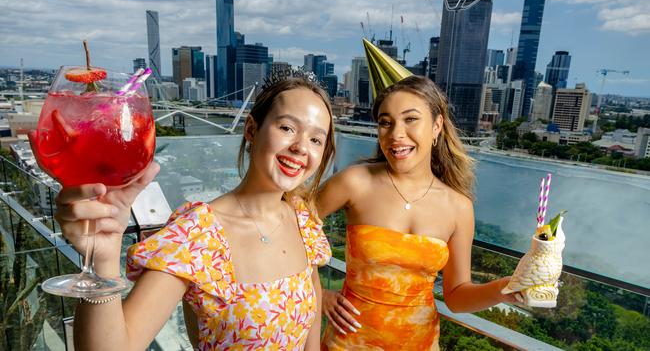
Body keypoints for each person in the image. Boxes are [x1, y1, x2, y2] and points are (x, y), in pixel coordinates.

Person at [55, 76, 335, 351]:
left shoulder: (303, 221)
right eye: (287, 128)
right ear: (251, 129)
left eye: (316, 140)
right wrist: (103, 260)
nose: (300, 147)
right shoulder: (198, 234)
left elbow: (310, 319)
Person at [317, 40, 519, 351]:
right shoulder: (355, 182)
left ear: (437, 126)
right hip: (349, 344)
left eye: (411, 119)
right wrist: (319, 295)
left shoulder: (458, 207)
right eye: (386, 123)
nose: (396, 134)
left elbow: (456, 296)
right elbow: (287, 228)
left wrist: (504, 289)